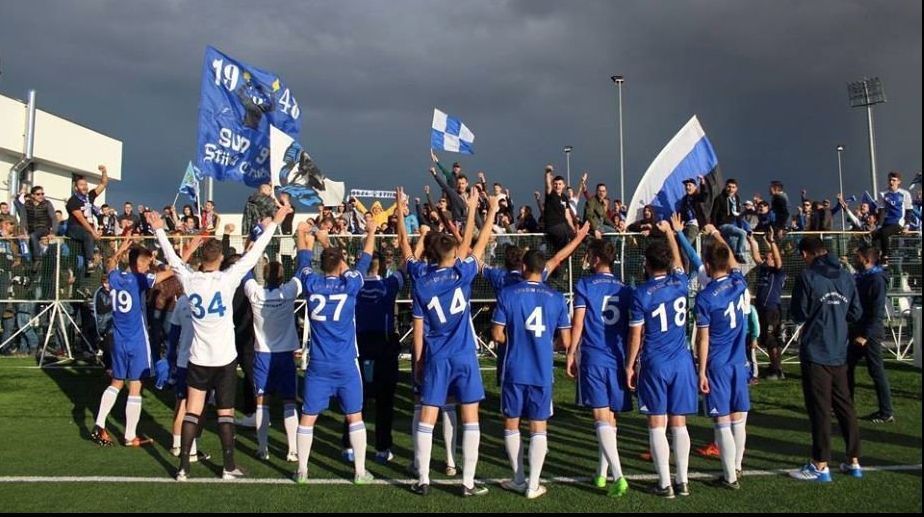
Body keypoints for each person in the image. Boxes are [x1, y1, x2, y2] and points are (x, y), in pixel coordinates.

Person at [149, 199, 292, 481]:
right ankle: (228, 467)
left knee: (193, 411)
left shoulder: (190, 281)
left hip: (198, 358)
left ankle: (183, 467)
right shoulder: (228, 279)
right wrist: (275, 221)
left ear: (202, 258)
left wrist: (158, 230)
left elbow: (174, 260)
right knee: (225, 414)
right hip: (224, 359)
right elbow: (255, 255)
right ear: (219, 258)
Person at [399, 188, 499, 497]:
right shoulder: (462, 273)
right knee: (470, 417)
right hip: (465, 355)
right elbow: (475, 243)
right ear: (452, 253)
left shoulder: (420, 281)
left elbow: (405, 252)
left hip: (437, 356)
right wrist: (479, 210)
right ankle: (467, 482)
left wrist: (400, 218)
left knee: (428, 415)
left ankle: (424, 478)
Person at [294, 216, 377, 485]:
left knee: (308, 417)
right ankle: (360, 472)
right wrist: (372, 230)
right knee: (355, 416)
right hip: (345, 362)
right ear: (341, 264)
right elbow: (364, 259)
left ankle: (302, 470)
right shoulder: (350, 283)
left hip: (319, 363)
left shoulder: (311, 284)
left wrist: (302, 235)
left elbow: (303, 262)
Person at [491, 250, 571, 500]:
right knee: (538, 427)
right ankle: (533, 484)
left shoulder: (507, 293)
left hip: (514, 368)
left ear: (524, 267)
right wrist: (547, 344)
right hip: (541, 371)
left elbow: (496, 334)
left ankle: (518, 478)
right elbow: (565, 340)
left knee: (512, 423)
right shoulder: (556, 298)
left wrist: (513, 341)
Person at [625, 221, 697, 498]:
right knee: (679, 423)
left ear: (646, 263)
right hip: (681, 361)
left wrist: (630, 365)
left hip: (655, 362)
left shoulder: (641, 293)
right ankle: (683, 481)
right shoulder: (679, 282)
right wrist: (670, 233)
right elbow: (679, 263)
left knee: (657, 423)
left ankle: (665, 483)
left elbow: (635, 336)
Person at [789, 236, 863, 482]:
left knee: (820, 409)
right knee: (845, 406)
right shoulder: (845, 276)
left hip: (816, 350)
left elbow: (799, 313)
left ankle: (820, 464)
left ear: (806, 254)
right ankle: (854, 460)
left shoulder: (808, 277)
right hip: (839, 350)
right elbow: (855, 312)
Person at [89, 237, 174, 447]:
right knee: (136, 385)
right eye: (145, 264)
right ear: (139, 264)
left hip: (118, 338)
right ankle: (129, 435)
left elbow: (110, 263)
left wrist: (120, 250)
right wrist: (160, 263)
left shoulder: (116, 277)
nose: (147, 267)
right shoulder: (140, 280)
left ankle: (99, 424)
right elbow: (171, 272)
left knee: (117, 382)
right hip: (137, 339)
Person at [566, 238, 633, 498]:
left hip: (594, 356)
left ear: (595, 258)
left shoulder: (584, 284)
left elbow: (579, 323)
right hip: (618, 356)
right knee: (610, 417)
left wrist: (571, 352)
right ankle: (601, 473)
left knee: (599, 415)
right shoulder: (625, 289)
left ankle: (617, 475)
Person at [244, 239, 312, 462]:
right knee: (289, 401)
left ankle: (263, 448)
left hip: (263, 354)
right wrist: (304, 244)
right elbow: (304, 269)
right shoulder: (289, 291)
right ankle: (292, 450)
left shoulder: (254, 292)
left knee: (262, 401)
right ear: (282, 277)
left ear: (264, 275)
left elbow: (244, 270)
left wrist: (250, 248)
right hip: (285, 355)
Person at [694, 227, 750, 490]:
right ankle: (737, 467)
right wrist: (717, 235)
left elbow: (702, 339)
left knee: (723, 420)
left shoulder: (705, 297)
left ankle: (729, 476)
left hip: (718, 362)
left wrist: (701, 370)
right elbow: (736, 263)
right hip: (740, 360)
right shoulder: (739, 283)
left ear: (706, 264)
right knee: (738, 417)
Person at [339, 245, 406, 465]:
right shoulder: (388, 285)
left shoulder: (353, 286)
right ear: (383, 266)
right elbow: (405, 268)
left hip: (358, 345)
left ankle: (348, 445)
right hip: (383, 345)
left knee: (355, 398)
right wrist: (419, 240)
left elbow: (340, 266)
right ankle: (382, 447)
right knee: (385, 401)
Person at [847, 244, 894, 424]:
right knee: (846, 366)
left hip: (870, 333)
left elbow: (876, 311)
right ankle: (846, 405)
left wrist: (865, 335)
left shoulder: (876, 280)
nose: (854, 259)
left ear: (866, 259)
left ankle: (886, 411)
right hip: (858, 329)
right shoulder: (862, 277)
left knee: (876, 370)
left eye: (857, 257)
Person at [748, 234, 786, 379]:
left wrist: (772, 242)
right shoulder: (764, 269)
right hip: (762, 309)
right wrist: (752, 241)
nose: (765, 259)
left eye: (768, 257)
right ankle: (775, 366)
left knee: (772, 340)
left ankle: (777, 370)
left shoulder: (778, 272)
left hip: (772, 310)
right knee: (767, 339)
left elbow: (777, 260)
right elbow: (756, 257)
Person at [66, 166, 109, 290]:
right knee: (87, 236)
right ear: (76, 187)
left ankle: (105, 271)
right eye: (81, 185)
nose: (84, 187)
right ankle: (89, 261)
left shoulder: (89, 197)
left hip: (88, 231)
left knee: (103, 248)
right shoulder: (73, 201)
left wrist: (104, 172)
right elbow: (80, 219)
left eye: (85, 184)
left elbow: (103, 183)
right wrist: (93, 232)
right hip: (75, 228)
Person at [874, 171, 913, 265]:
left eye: (894, 180)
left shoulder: (905, 194)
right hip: (887, 222)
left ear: (899, 182)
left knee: (885, 232)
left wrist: (907, 225)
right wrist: (879, 225)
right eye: (890, 180)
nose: (891, 182)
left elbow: (908, 211)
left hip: (898, 222)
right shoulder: (883, 194)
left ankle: (885, 256)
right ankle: (876, 257)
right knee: (876, 235)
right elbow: (882, 211)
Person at [544, 165, 577, 254]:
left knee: (576, 236)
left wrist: (573, 228)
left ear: (563, 185)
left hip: (563, 225)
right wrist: (547, 173)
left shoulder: (564, 197)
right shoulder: (551, 194)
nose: (557, 186)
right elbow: (547, 185)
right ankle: (559, 257)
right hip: (553, 225)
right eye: (555, 184)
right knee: (564, 234)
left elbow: (567, 215)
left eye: (559, 184)